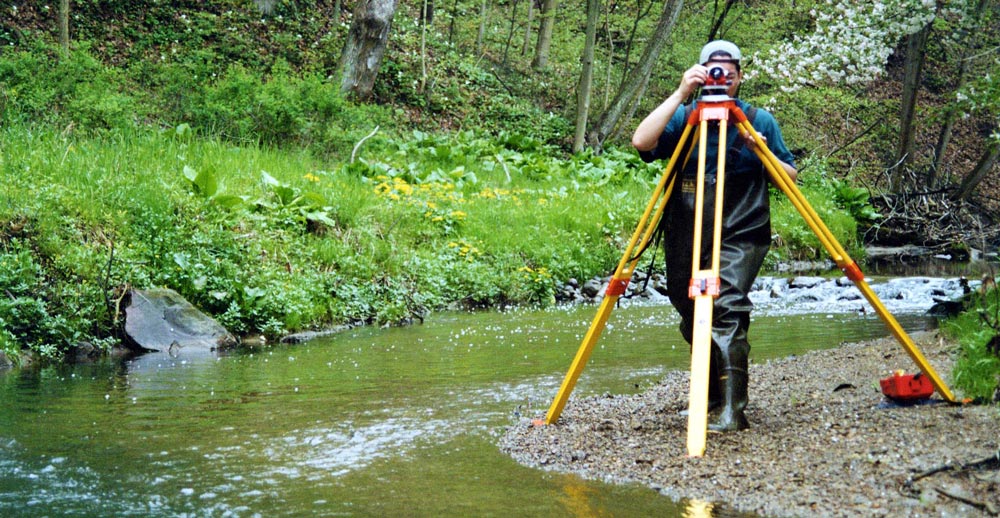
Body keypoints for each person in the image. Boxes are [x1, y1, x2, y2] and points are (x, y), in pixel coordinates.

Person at [631, 40, 797, 432]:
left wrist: (763, 150)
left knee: (726, 305)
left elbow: (790, 178)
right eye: (713, 71)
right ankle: (710, 395)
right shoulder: (685, 115)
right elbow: (641, 141)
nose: (722, 79)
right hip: (687, 226)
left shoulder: (758, 119)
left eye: (729, 72)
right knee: (688, 304)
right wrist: (681, 91)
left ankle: (733, 410)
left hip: (743, 226)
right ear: (701, 71)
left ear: (740, 76)